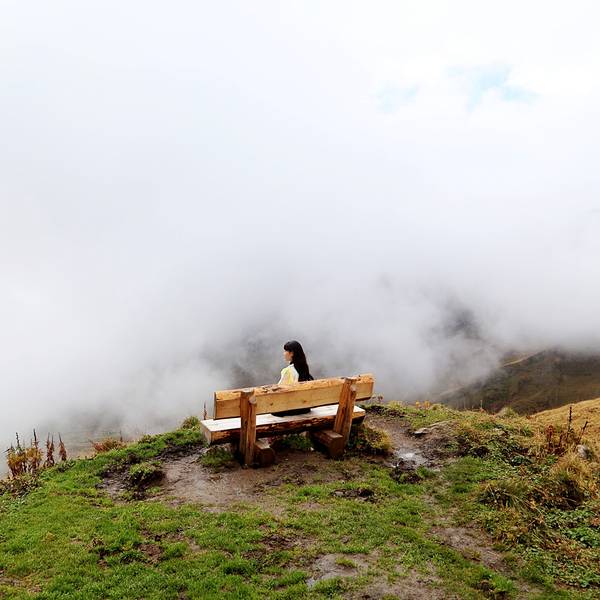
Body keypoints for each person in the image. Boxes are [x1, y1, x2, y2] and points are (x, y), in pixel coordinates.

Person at [272, 340, 313, 416]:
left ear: (292, 353)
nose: (284, 353)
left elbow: (278, 391)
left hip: (293, 407)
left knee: (274, 410)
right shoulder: (304, 369)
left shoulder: (288, 371)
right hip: (305, 408)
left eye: (285, 351)